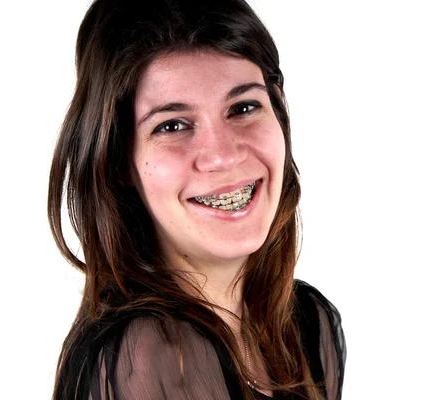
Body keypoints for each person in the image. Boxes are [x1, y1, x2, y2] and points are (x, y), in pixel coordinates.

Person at [48, 0, 346, 399]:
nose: (223, 155)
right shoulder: (150, 353)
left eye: (243, 107)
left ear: (279, 107)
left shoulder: (308, 322)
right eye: (172, 125)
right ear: (119, 159)